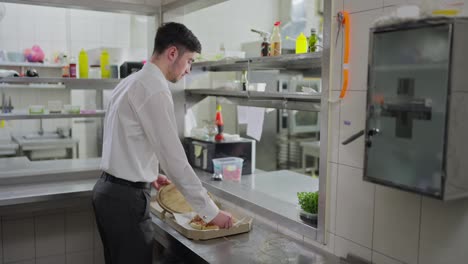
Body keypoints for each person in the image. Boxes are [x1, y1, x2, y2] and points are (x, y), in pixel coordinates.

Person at [92, 22, 233, 264]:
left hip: (108, 193)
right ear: (172, 53)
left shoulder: (131, 81)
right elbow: (174, 160)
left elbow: (123, 138)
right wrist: (211, 212)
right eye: (189, 60)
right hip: (126, 201)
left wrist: (147, 174)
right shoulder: (154, 88)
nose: (189, 69)